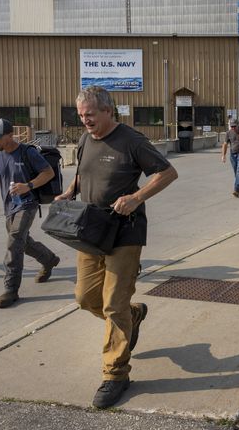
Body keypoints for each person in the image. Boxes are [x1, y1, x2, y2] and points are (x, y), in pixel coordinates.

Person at [55, 86, 178, 409]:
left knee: (112, 303)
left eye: (91, 114)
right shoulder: (84, 140)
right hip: (90, 230)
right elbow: (82, 174)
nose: (85, 121)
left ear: (109, 111)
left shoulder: (131, 140)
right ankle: (133, 316)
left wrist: (137, 197)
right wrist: (69, 192)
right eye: (81, 115)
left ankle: (115, 374)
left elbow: (168, 172)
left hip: (125, 232)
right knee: (85, 298)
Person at [0, 119, 61, 308]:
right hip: (9, 206)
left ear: (10, 135)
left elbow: (48, 173)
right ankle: (49, 259)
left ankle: (11, 289)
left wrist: (28, 186)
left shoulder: (28, 152)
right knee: (22, 242)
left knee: (15, 240)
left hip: (28, 204)